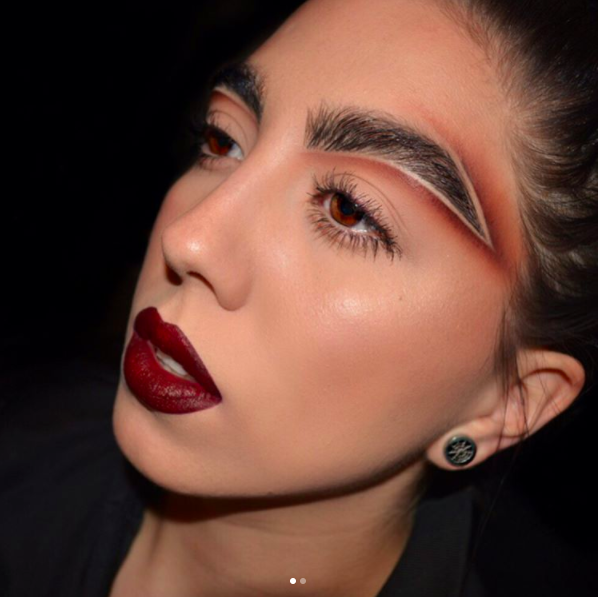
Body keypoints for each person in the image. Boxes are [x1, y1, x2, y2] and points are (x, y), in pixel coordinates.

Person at [1, 0, 596, 596]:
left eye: (349, 209)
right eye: (223, 140)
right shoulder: (26, 442)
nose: (189, 239)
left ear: (511, 402)